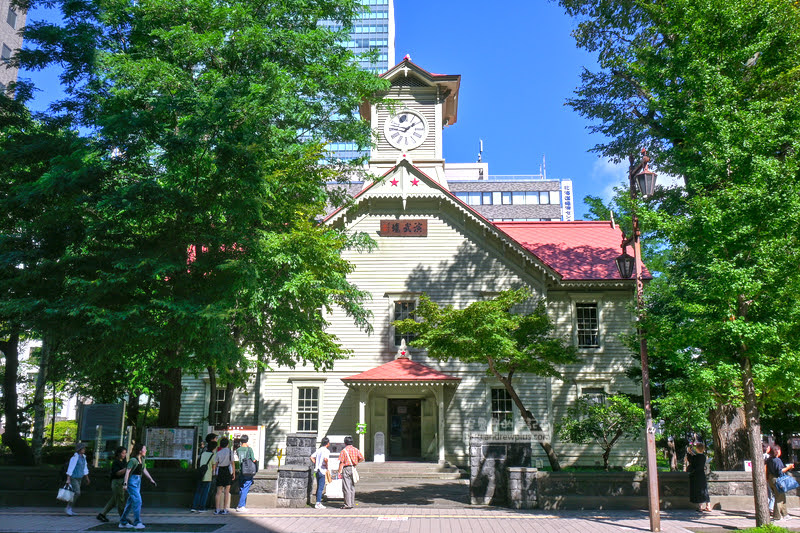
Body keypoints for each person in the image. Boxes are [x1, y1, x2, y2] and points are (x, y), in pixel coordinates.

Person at [119, 443, 157, 530]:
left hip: (138, 481)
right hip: (132, 482)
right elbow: (127, 472)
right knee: (137, 501)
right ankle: (137, 522)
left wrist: (151, 479)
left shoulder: (142, 460)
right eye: (145, 449)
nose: (146, 450)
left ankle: (123, 521)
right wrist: (125, 483)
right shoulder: (133, 460)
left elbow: (144, 470)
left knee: (130, 502)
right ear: (140, 451)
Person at [97, 446, 128, 522]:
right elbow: (117, 473)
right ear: (118, 453)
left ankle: (102, 514)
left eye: (125, 453)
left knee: (114, 500)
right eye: (123, 453)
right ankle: (123, 518)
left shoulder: (124, 461)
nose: (124, 455)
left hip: (121, 482)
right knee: (121, 500)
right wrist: (127, 469)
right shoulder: (116, 462)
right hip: (117, 483)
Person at [767, 444, 795, 521]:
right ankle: (777, 516)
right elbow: (780, 471)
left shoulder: (769, 459)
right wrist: (788, 467)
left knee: (782, 496)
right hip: (777, 479)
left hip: (771, 479)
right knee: (779, 498)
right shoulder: (777, 460)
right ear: (777, 451)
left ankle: (785, 514)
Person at [337, 436, 364, 510]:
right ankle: (352, 503)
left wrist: (339, 472)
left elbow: (341, 462)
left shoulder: (344, 450)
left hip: (346, 468)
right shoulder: (356, 450)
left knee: (346, 486)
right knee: (352, 486)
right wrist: (355, 462)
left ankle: (347, 504)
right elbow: (362, 458)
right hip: (353, 468)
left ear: (345, 442)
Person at [65, 442, 91, 516]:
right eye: (83, 448)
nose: (84, 449)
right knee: (77, 492)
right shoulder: (74, 458)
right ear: (79, 449)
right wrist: (68, 478)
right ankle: (68, 507)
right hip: (74, 477)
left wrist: (87, 478)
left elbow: (85, 468)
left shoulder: (83, 457)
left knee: (75, 493)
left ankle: (70, 508)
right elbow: (70, 468)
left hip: (80, 477)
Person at [191, 440, 217, 513]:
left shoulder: (203, 453)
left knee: (198, 491)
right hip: (207, 476)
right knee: (205, 493)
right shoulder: (213, 455)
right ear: (214, 448)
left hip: (200, 475)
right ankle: (201, 507)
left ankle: (194, 507)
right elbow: (213, 467)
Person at [687, 442, 711, 512]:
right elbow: (696, 457)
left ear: (697, 449)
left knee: (698, 490)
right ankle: (708, 506)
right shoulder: (703, 457)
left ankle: (700, 507)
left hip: (696, 475)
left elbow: (691, 460)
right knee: (704, 490)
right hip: (702, 475)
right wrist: (691, 452)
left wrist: (689, 452)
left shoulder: (696, 457)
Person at [235, 435, 257, 512]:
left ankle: (241, 505)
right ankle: (241, 505)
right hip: (248, 471)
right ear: (247, 440)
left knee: (241, 487)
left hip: (241, 470)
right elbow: (253, 459)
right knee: (246, 487)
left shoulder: (238, 449)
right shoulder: (249, 449)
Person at [213, 437, 235, 515]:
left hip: (220, 471)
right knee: (226, 491)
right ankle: (225, 509)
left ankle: (217, 509)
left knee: (218, 491)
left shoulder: (218, 453)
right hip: (227, 471)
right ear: (227, 444)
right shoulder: (230, 452)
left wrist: (214, 472)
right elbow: (232, 463)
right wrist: (234, 473)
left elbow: (215, 464)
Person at [310, 437, 331, 509]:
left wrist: (316, 463)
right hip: (322, 470)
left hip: (317, 470)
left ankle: (317, 501)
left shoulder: (318, 450)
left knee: (318, 486)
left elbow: (312, 457)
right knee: (321, 487)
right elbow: (325, 459)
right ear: (327, 443)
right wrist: (326, 465)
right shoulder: (326, 451)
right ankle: (318, 503)